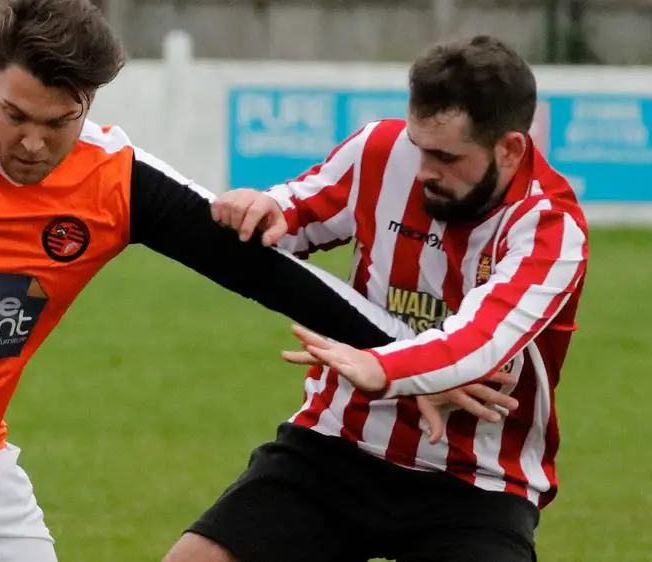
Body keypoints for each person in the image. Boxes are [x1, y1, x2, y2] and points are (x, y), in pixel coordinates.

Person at [0, 1, 510, 561]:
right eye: (16, 115)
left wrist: (413, 357)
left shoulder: (113, 178)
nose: (32, 144)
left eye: (60, 122)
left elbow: (259, 269)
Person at [166, 35, 589, 562]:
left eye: (445, 156)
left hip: (476, 481)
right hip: (338, 447)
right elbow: (295, 213)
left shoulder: (551, 228)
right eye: (418, 145)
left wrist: (380, 367)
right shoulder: (379, 152)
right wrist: (262, 206)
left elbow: (479, 343)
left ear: (510, 148)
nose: (422, 170)